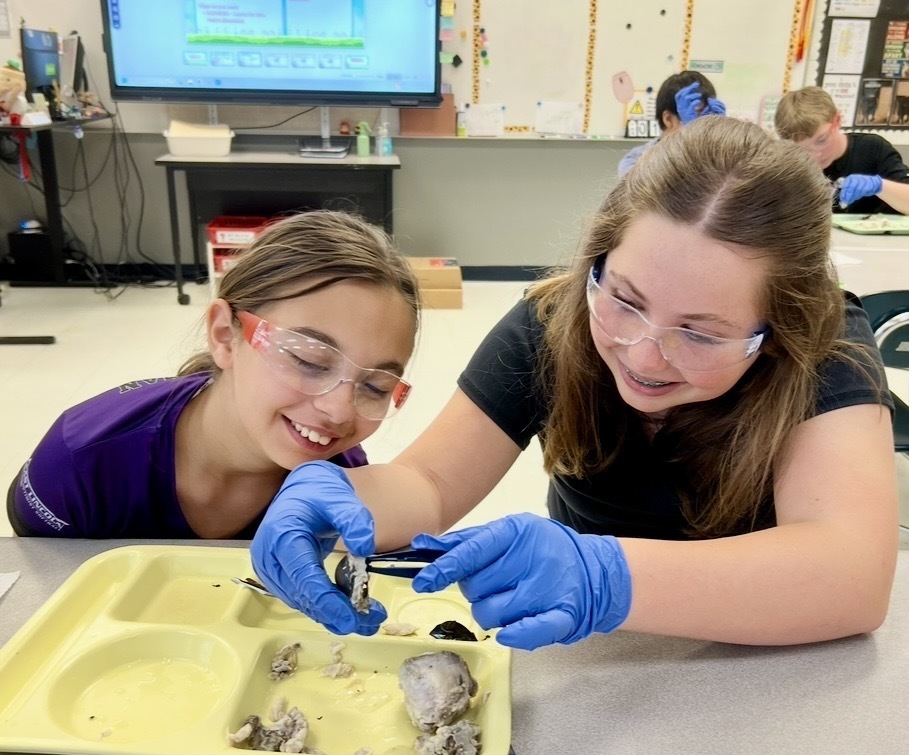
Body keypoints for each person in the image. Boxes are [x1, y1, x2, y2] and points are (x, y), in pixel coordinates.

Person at [251, 117, 898, 649]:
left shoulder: (822, 341)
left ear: (777, 327)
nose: (644, 354)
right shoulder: (554, 318)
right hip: (597, 659)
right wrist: (339, 496)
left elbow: (849, 574)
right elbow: (432, 481)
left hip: (767, 656)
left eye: (698, 333)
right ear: (598, 260)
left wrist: (603, 575)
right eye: (623, 298)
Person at [6, 210, 421, 543]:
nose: (337, 410)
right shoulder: (84, 461)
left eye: (375, 387)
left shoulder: (337, 470)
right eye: (309, 360)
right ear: (225, 335)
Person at [774, 86, 909, 215]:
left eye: (821, 140)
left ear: (837, 120)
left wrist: (880, 187)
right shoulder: (789, 165)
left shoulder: (872, 148)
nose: (816, 155)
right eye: (802, 150)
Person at [617, 71, 726, 176]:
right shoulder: (634, 160)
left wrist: (723, 140)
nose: (702, 127)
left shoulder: (719, 156)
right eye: (696, 116)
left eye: (708, 116)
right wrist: (689, 140)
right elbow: (650, 187)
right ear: (668, 119)